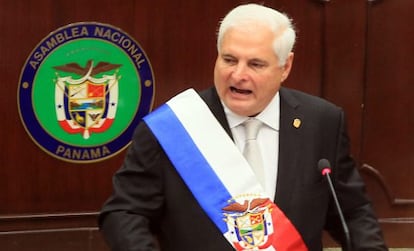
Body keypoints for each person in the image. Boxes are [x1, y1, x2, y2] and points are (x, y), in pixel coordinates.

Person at [99, 3, 388, 251]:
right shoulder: (174, 128)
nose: (238, 75)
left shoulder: (322, 122)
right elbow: (124, 212)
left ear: (285, 67)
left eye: (256, 64)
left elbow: (352, 211)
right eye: (229, 59)